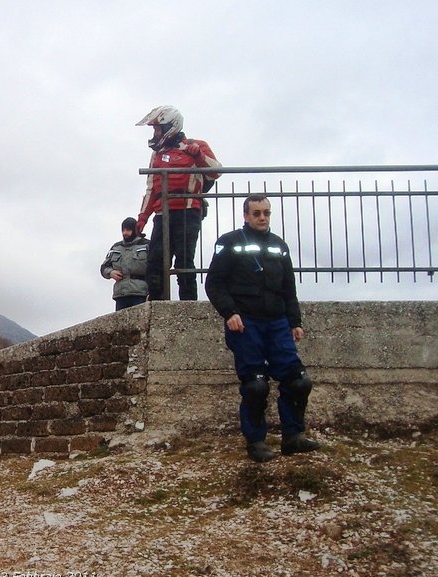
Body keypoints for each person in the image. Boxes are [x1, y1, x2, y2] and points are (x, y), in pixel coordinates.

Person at [205, 194, 321, 462]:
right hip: (246, 323)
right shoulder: (229, 242)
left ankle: (293, 437)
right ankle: (256, 442)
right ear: (245, 215)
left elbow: (289, 289)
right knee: (256, 385)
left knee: (299, 381)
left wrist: (295, 322)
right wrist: (229, 312)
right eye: (256, 213)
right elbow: (214, 283)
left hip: (277, 321)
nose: (262, 218)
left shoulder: (279, 246)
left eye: (266, 213)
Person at [136, 105, 221, 301]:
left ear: (169, 127)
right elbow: (151, 188)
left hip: (188, 211)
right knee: (155, 262)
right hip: (162, 213)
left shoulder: (196, 146)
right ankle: (156, 302)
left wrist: (198, 155)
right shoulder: (157, 155)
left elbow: (216, 171)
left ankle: (188, 305)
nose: (155, 133)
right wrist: (142, 219)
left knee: (184, 261)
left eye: (157, 128)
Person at [101, 217, 150, 311]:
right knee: (121, 325)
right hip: (121, 294)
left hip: (141, 293)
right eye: (123, 230)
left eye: (128, 230)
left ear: (135, 230)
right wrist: (110, 272)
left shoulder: (147, 245)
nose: (125, 233)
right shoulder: (116, 247)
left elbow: (156, 268)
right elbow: (104, 267)